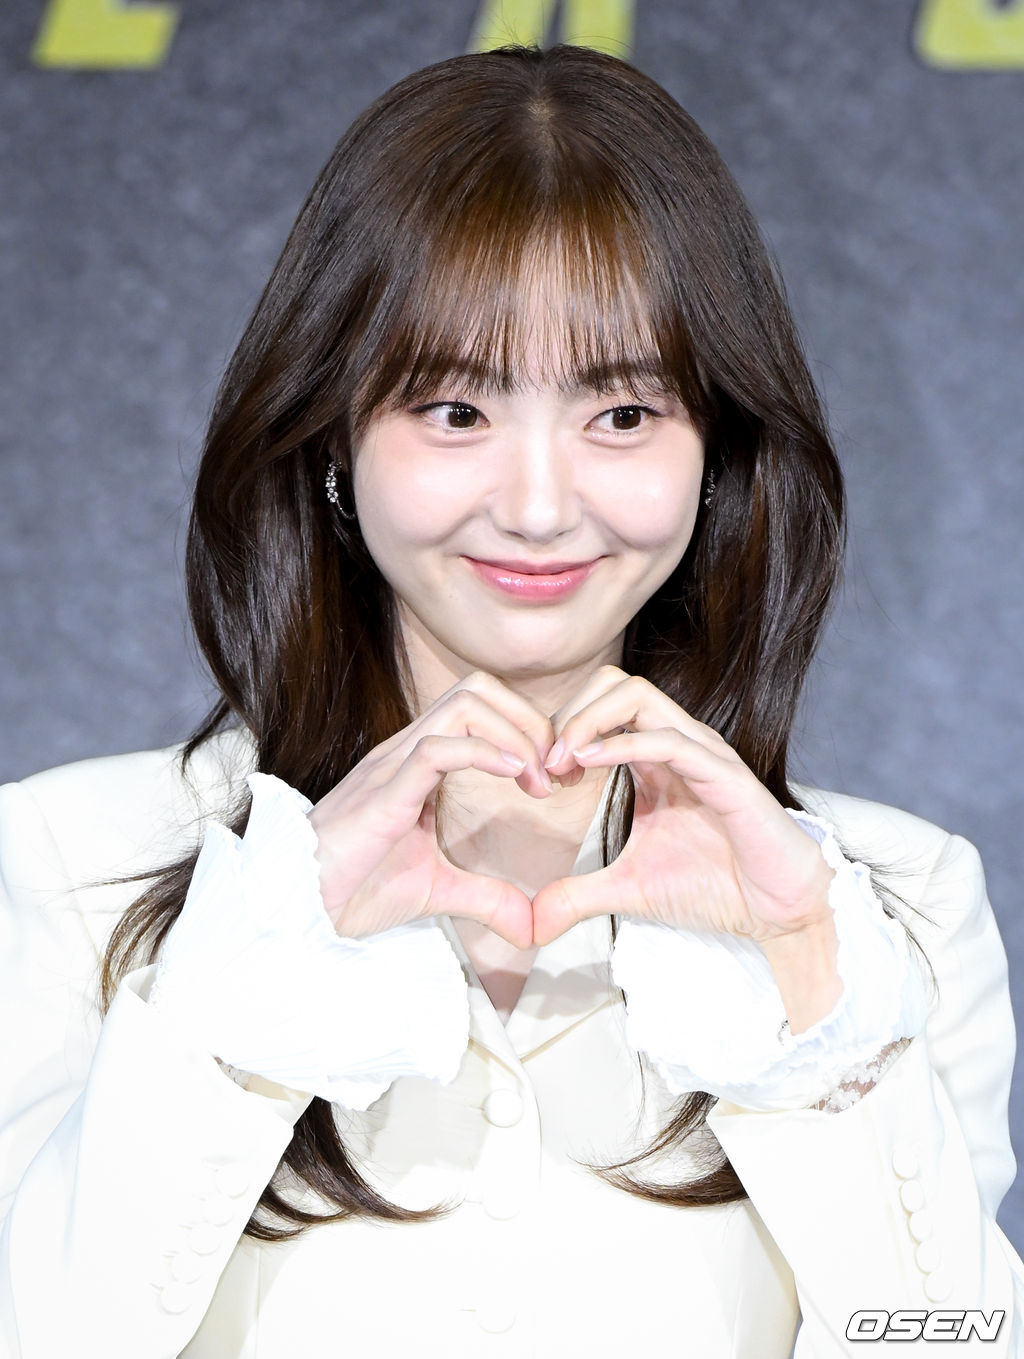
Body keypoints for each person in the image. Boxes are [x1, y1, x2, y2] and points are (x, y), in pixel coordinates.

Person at [0, 42, 1021, 1359]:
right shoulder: (68, 868)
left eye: (623, 415)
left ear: (715, 456)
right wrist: (251, 977)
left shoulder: (892, 905)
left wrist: (808, 989)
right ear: (333, 440)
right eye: (454, 410)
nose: (539, 507)